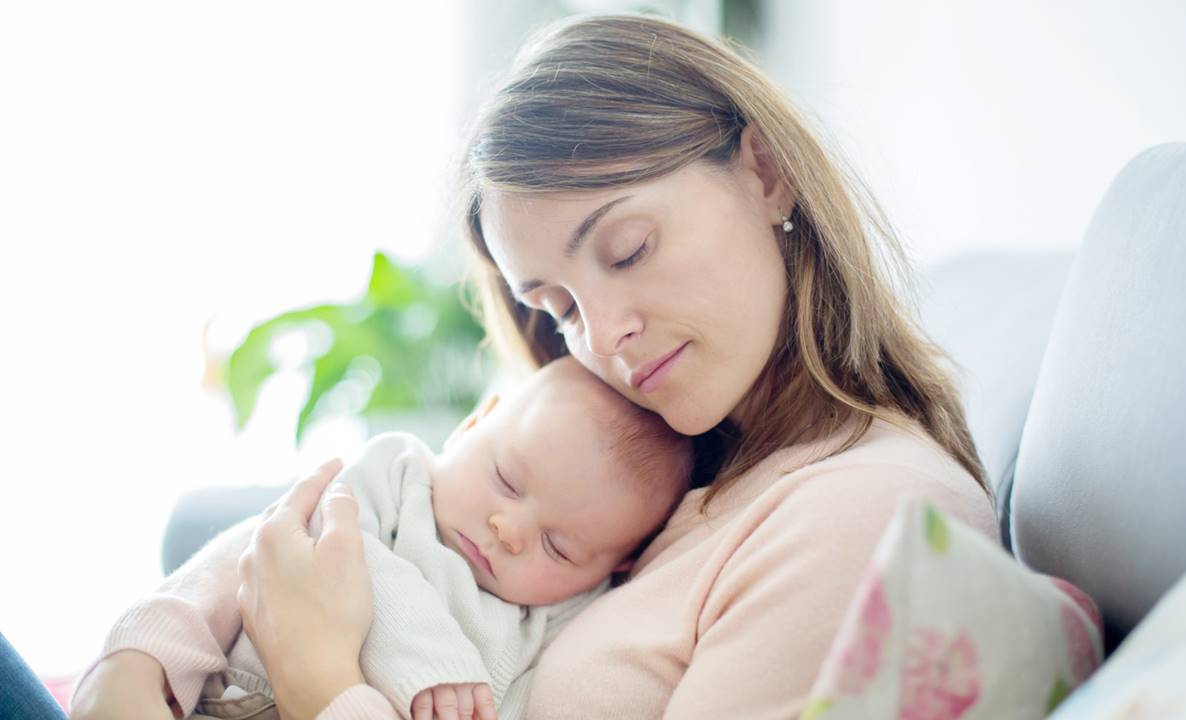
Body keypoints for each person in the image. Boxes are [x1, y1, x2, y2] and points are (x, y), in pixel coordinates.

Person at [70, 12, 997, 720]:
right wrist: (133, 660)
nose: (605, 338)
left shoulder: (867, 518)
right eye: (556, 306)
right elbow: (315, 534)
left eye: (628, 248)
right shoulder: (663, 452)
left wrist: (322, 680)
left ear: (763, 172)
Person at [79, 358, 692, 720]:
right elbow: (263, 556)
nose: (508, 530)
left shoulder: (554, 630)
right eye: (505, 480)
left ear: (618, 566)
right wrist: (142, 659)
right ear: (474, 423)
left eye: (559, 547)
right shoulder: (395, 476)